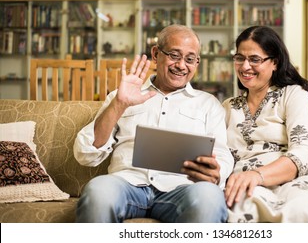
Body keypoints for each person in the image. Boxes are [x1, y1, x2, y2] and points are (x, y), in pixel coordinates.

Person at [74, 24, 234, 223]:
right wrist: (119, 105)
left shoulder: (209, 104)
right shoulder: (122, 96)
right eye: (174, 55)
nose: (182, 65)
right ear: (156, 54)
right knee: (98, 191)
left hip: (182, 190)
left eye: (190, 59)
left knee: (209, 197)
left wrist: (217, 171)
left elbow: (223, 155)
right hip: (128, 185)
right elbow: (85, 154)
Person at [222, 26, 308, 223]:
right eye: (239, 58)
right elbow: (220, 155)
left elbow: (304, 153)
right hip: (246, 184)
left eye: (254, 59)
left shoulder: (294, 95)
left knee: (301, 210)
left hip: (300, 179)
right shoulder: (228, 107)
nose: (245, 66)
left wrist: (257, 175)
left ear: (274, 63)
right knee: (235, 210)